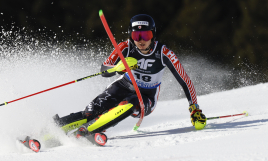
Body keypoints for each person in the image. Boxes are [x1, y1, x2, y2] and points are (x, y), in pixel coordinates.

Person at [53, 14, 206, 141]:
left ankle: (87, 131)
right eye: (136, 35)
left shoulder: (163, 53)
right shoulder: (125, 47)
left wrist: (194, 108)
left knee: (130, 103)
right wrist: (118, 68)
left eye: (146, 35)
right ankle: (52, 128)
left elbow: (185, 80)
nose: (141, 40)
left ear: (153, 35)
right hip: (123, 86)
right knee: (90, 111)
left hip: (146, 96)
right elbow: (104, 69)